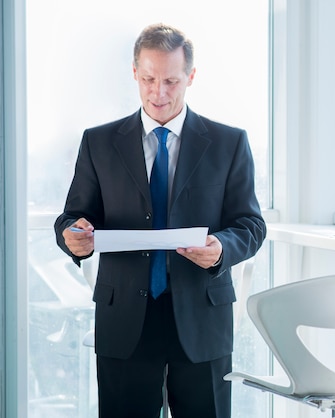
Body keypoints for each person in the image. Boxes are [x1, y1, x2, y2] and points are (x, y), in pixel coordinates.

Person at [54, 23, 266, 418]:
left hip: (201, 316)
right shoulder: (98, 142)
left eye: (171, 81)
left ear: (191, 77)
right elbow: (72, 217)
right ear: (135, 72)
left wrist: (222, 249)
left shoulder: (228, 142)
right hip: (126, 318)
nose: (159, 93)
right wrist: (74, 236)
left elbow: (250, 224)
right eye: (149, 79)